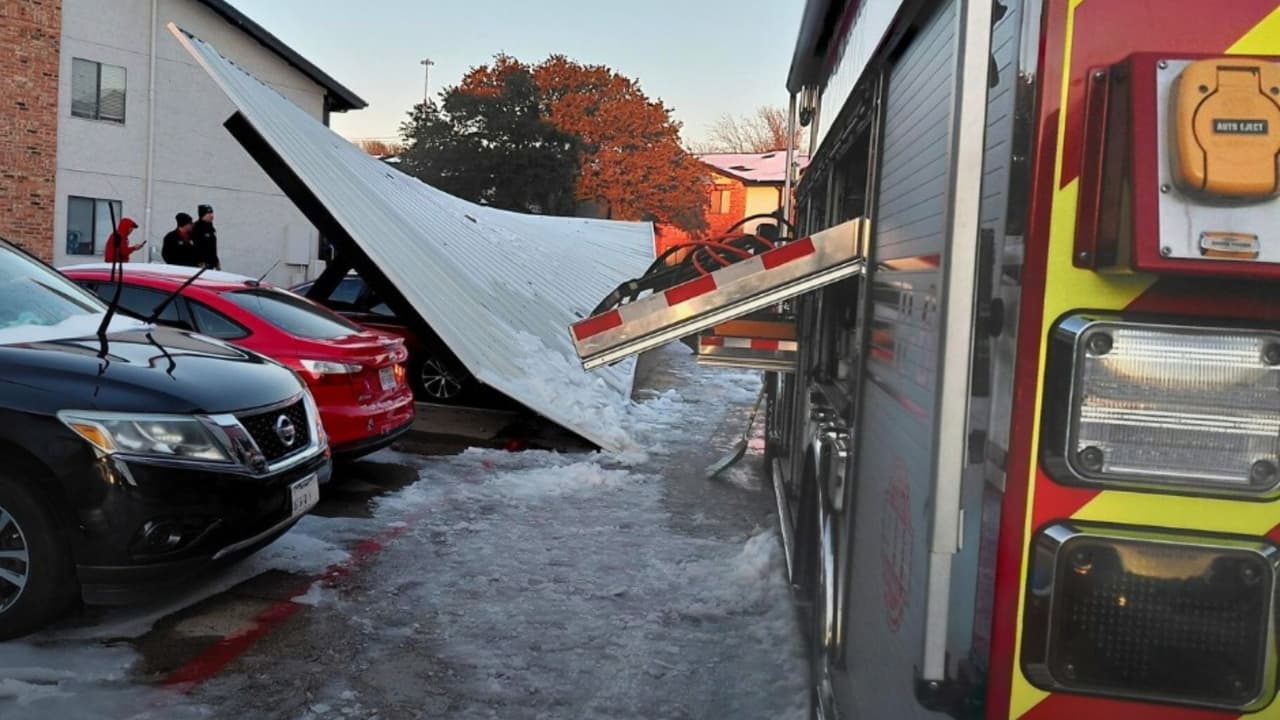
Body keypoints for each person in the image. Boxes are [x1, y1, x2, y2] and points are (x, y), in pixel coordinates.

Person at [192, 204, 220, 270]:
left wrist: (217, 261)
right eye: (209, 213)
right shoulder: (196, 227)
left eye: (212, 213)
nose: (212, 215)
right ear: (202, 215)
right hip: (200, 265)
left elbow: (212, 247)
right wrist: (199, 262)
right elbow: (193, 247)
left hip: (211, 264)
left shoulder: (211, 228)